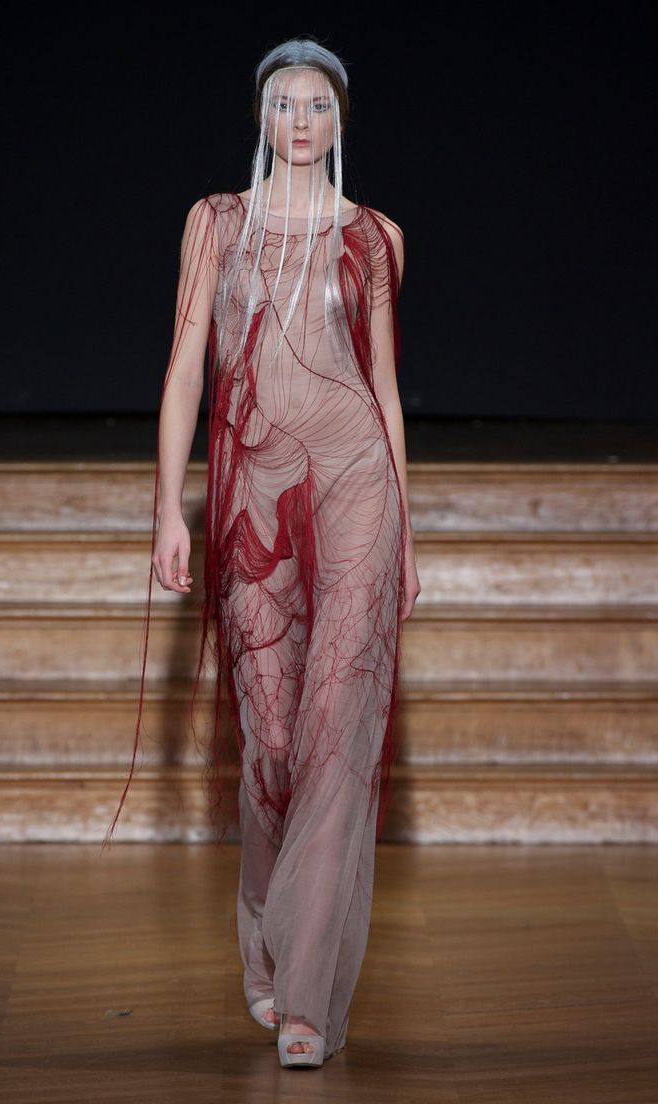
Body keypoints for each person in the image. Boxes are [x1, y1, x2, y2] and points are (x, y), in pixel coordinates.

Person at [102, 36, 421, 1068]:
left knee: (339, 727)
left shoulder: (376, 236)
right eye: (283, 102)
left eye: (317, 103)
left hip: (356, 484)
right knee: (275, 738)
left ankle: (308, 1002)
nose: (299, 120)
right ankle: (268, 941)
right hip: (252, 489)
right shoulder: (217, 225)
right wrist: (166, 509)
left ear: (339, 121)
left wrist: (406, 529)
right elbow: (185, 369)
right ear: (261, 118)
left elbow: (381, 388)